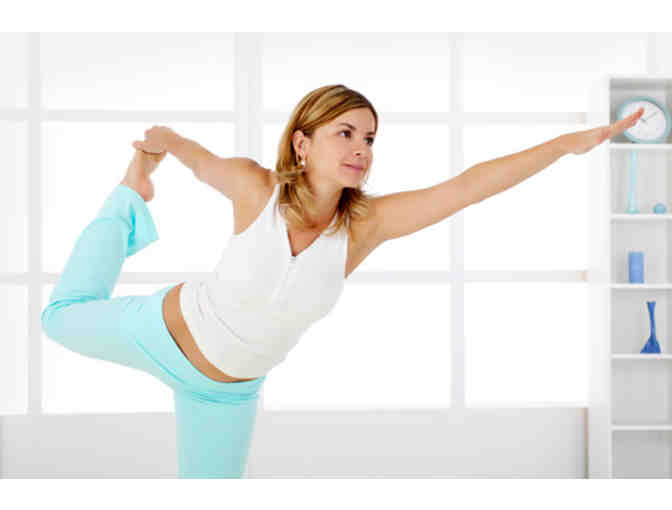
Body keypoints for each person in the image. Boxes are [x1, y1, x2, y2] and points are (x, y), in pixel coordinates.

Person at [40, 84, 643, 479]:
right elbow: (199, 159)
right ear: (302, 143)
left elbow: (465, 188)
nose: (362, 149)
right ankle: (129, 199)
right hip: (162, 331)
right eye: (345, 133)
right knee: (59, 318)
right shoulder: (256, 189)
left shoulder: (364, 227)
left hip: (225, 395)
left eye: (370, 138)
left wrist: (565, 146)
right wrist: (161, 146)